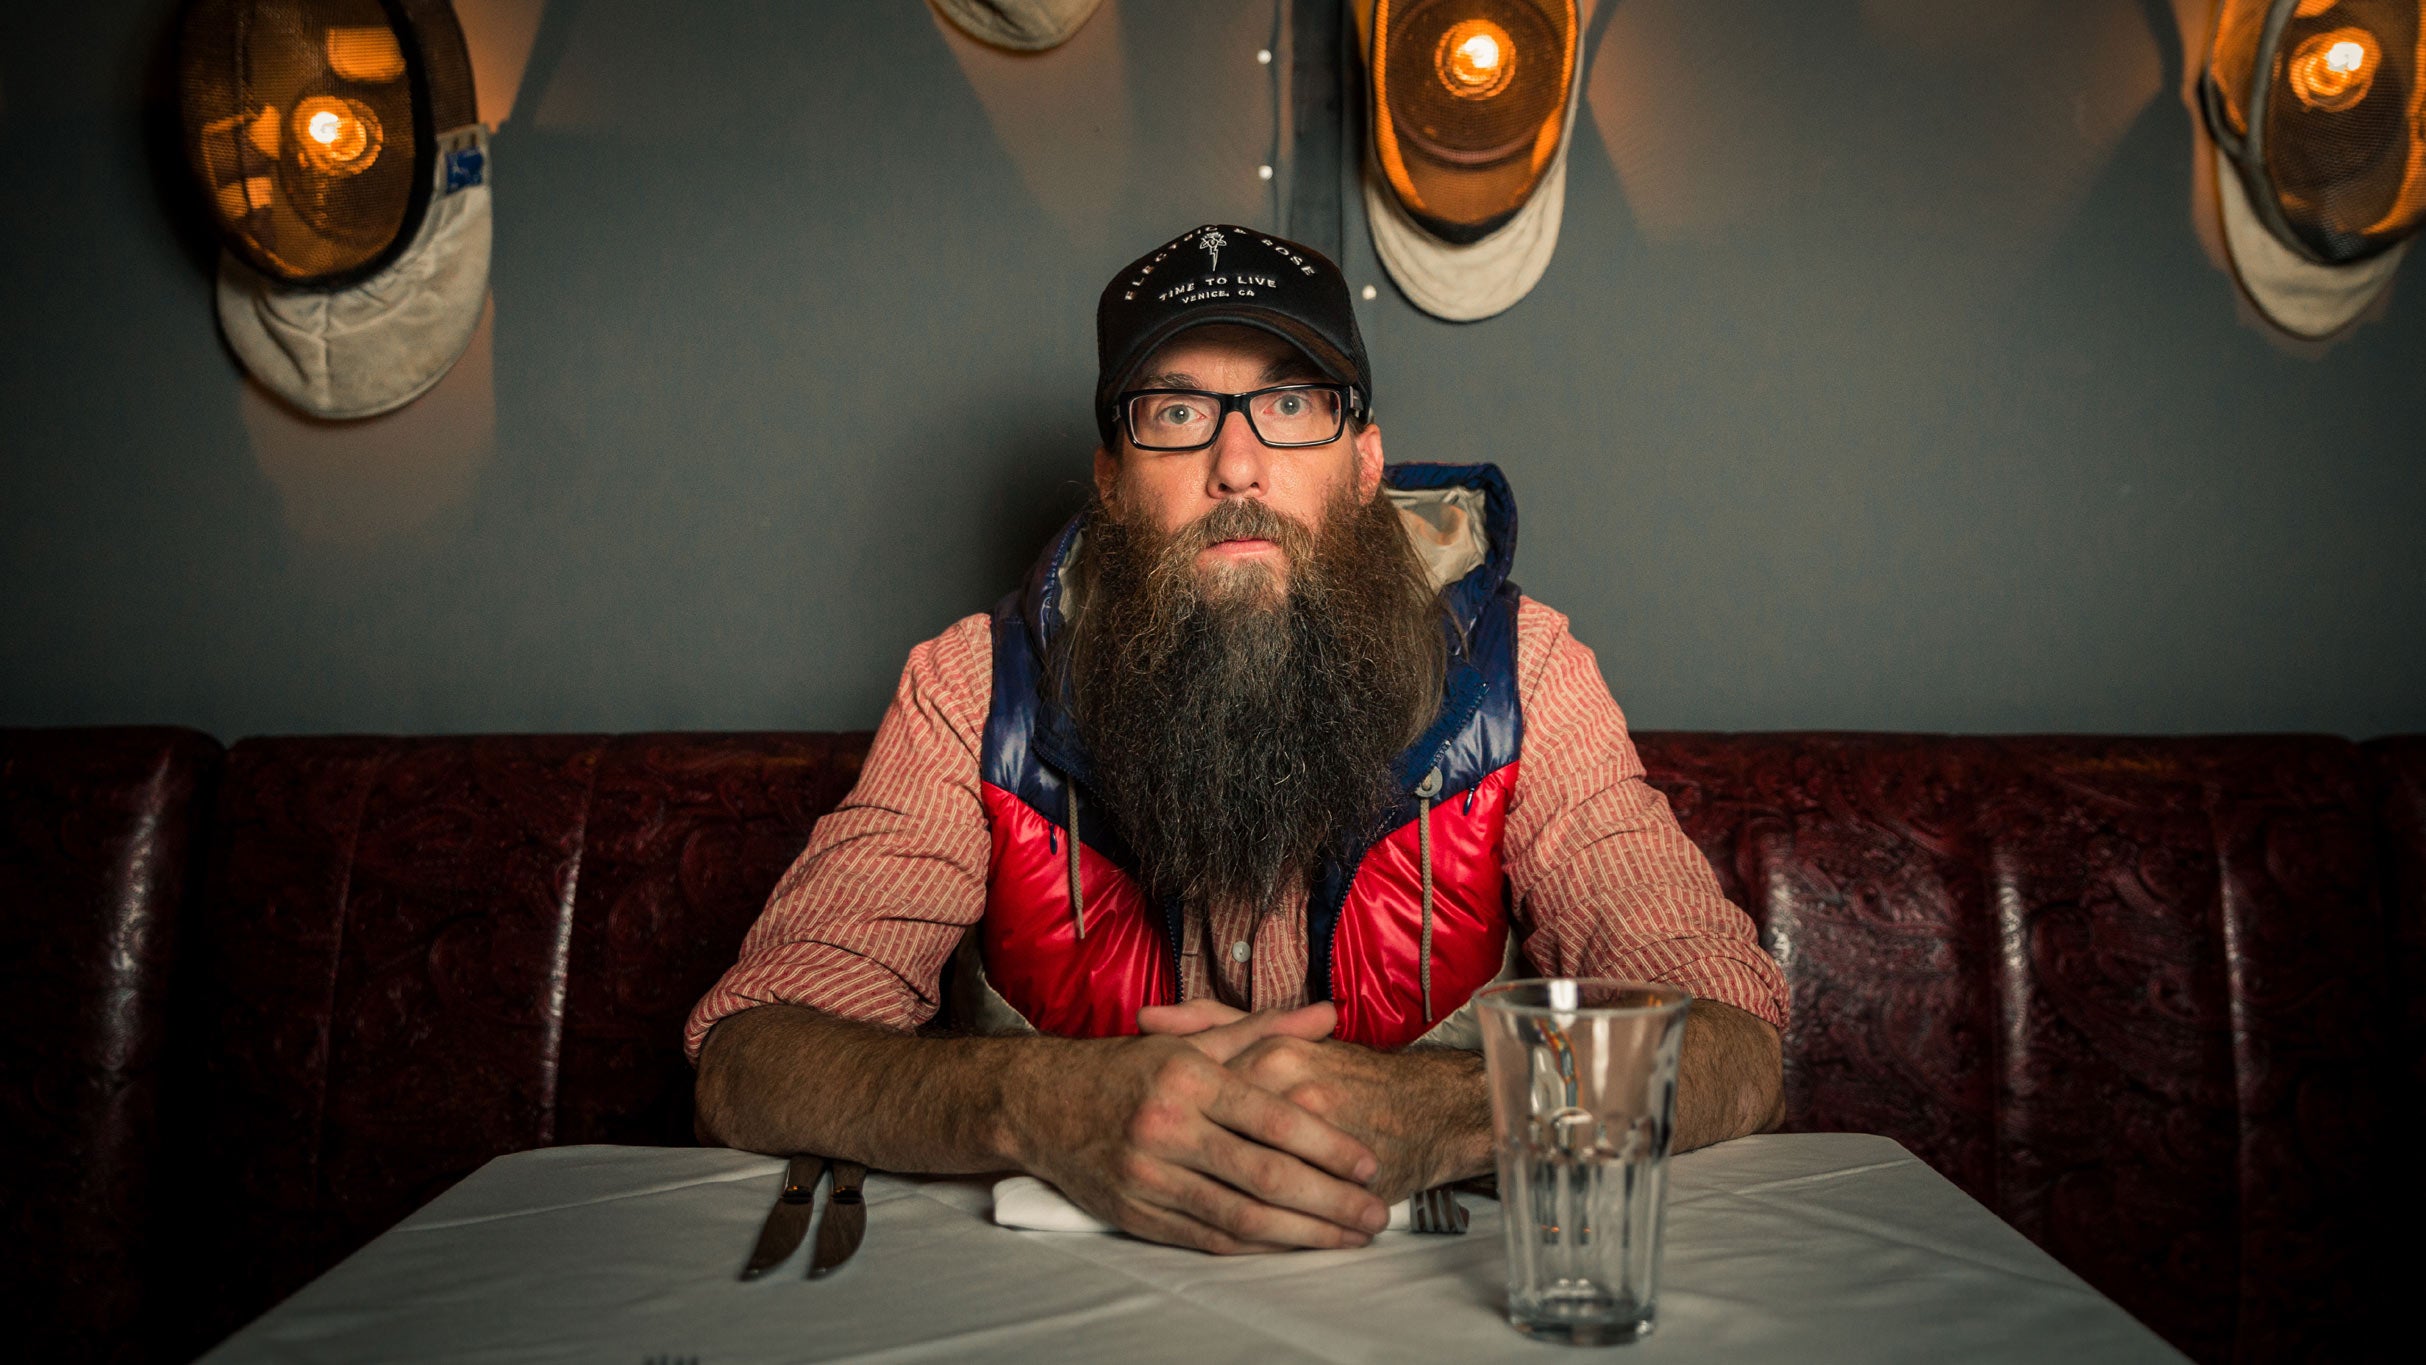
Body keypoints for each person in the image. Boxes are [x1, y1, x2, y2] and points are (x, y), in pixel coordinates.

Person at [689, 225, 1788, 1255]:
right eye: (1176, 412)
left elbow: (1733, 1044)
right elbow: (749, 1061)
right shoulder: (971, 688)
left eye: (1291, 403)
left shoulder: (1524, 673)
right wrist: (1036, 1099)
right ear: (1112, 481)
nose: (1238, 465)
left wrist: (1457, 1109)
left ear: (1363, 462)